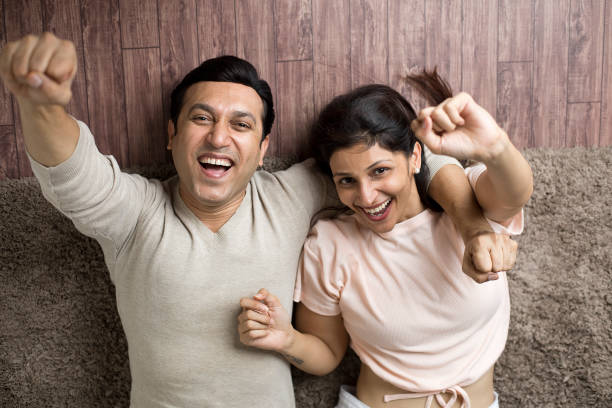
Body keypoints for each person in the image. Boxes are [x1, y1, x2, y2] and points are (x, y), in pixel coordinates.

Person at [1, 32, 512, 407]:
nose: (220, 138)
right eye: (202, 118)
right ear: (172, 135)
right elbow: (73, 176)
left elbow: (407, 159)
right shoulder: (134, 213)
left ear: (264, 148)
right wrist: (40, 105)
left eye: (241, 125)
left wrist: (473, 228)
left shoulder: (292, 193)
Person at [238, 71, 533, 408]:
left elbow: (516, 192)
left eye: (379, 171)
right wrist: (286, 339)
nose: (366, 196)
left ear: (415, 158)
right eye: (347, 180)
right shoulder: (329, 244)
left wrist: (494, 146)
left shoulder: (468, 205)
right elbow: (327, 353)